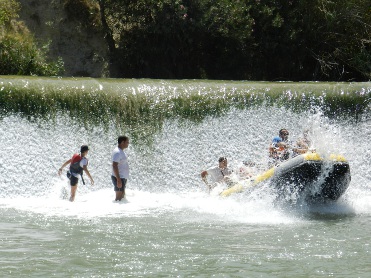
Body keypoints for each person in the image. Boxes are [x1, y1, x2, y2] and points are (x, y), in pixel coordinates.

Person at [111, 136, 130, 201]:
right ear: (122, 142)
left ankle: (122, 211)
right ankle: (116, 210)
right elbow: (114, 165)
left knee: (122, 198)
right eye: (127, 142)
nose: (128, 143)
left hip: (122, 177)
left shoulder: (121, 151)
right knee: (118, 199)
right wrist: (118, 179)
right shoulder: (117, 152)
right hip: (119, 177)